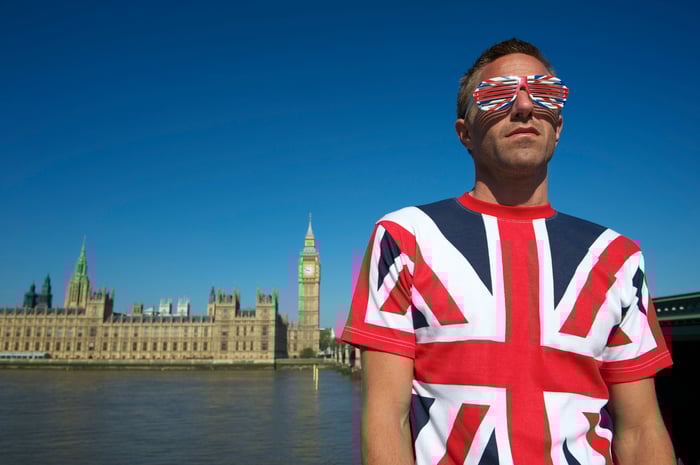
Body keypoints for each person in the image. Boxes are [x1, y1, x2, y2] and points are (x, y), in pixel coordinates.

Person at [341, 38, 674, 465]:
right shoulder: (405, 237)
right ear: (465, 133)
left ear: (558, 125)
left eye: (545, 93)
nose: (524, 106)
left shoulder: (619, 258)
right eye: (497, 94)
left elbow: (642, 430)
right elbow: (387, 419)